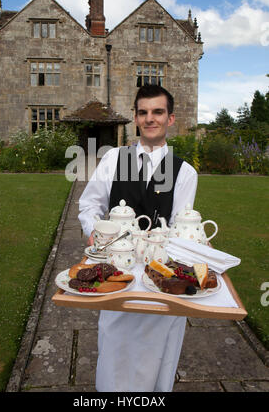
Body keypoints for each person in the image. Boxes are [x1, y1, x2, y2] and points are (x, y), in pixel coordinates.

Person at [78, 84, 198, 392]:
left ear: (171, 118)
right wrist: (94, 231)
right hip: (117, 275)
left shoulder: (183, 172)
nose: (150, 119)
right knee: (115, 348)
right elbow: (90, 204)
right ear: (135, 118)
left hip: (161, 280)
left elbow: (179, 225)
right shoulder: (116, 158)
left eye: (158, 112)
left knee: (158, 354)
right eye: (143, 112)